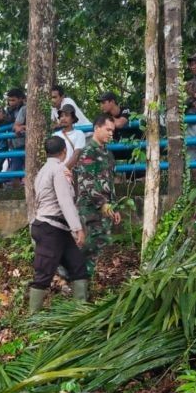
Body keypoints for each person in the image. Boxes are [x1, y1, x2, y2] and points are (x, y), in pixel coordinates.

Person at [28, 137, 88, 311]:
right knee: (44, 274)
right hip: (51, 228)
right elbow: (65, 201)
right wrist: (78, 229)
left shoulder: (43, 171)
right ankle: (34, 318)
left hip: (55, 228)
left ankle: (81, 311)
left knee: (77, 266)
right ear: (64, 151)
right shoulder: (59, 169)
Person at [75, 115, 122, 275]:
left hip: (105, 207)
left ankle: (82, 278)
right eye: (108, 129)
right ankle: (74, 272)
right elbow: (87, 182)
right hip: (90, 206)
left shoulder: (108, 154)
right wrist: (102, 203)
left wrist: (114, 206)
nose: (111, 134)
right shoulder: (88, 152)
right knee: (93, 241)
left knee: (99, 243)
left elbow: (109, 183)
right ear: (97, 128)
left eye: (113, 131)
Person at [96, 91, 139, 162]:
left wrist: (107, 118)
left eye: (103, 103)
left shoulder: (126, 110)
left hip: (134, 147)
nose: (101, 106)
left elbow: (120, 124)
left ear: (112, 102)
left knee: (135, 169)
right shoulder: (106, 115)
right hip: (119, 147)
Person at [53, 104, 86, 170]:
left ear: (73, 119)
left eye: (67, 115)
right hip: (56, 172)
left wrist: (62, 171)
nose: (63, 118)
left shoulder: (79, 134)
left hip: (70, 172)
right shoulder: (55, 135)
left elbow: (76, 155)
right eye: (61, 116)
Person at [7, 88, 27, 175]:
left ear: (21, 99)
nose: (11, 102)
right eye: (9, 100)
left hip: (25, 143)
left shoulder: (24, 109)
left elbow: (16, 126)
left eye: (13, 100)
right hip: (15, 144)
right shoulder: (9, 111)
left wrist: (21, 127)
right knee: (14, 172)